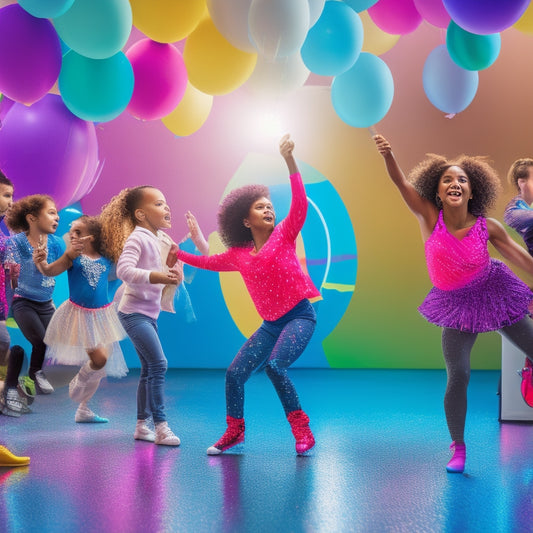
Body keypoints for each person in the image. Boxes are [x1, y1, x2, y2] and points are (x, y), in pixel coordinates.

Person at [374, 134, 533, 473]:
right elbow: (401, 183)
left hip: (494, 291)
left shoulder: (487, 227)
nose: (455, 183)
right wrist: (389, 155)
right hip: (456, 304)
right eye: (448, 179)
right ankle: (458, 447)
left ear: (472, 191)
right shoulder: (429, 218)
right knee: (458, 374)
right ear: (438, 191)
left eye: (462, 179)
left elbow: (523, 259)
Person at [170, 134, 320, 456]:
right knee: (235, 373)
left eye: (270, 206)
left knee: (276, 367)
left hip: (300, 316)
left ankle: (301, 428)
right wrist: (178, 254)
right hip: (270, 325)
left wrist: (290, 161)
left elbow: (300, 203)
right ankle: (235, 431)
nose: (268, 209)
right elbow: (207, 262)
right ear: (245, 219)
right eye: (260, 206)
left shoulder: (285, 234)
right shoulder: (238, 255)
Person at [99, 185, 182, 446]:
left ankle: (140, 426)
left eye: (166, 203)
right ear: (140, 215)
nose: (166, 208)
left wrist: (169, 269)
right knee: (159, 364)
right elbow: (125, 270)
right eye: (158, 204)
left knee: (149, 368)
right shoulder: (138, 237)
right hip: (133, 313)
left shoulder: (157, 240)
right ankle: (161, 426)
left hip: (148, 314)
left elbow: (158, 275)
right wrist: (157, 275)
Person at [33, 215, 128, 423]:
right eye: (71, 231)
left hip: (103, 316)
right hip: (81, 316)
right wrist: (41, 263)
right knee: (99, 360)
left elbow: (125, 262)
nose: (72, 235)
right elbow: (50, 271)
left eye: (78, 232)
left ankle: (83, 409)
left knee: (101, 367)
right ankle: (78, 382)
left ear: (92, 237)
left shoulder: (108, 258)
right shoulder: (72, 257)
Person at [0, 194, 64, 415]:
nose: (57, 217)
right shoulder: (15, 243)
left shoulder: (56, 243)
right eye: (51, 212)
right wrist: (14, 275)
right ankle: (34, 372)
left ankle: (32, 375)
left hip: (45, 302)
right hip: (23, 301)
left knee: (50, 340)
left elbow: (55, 269)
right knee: (39, 338)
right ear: (31, 218)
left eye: (57, 213)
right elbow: (11, 276)